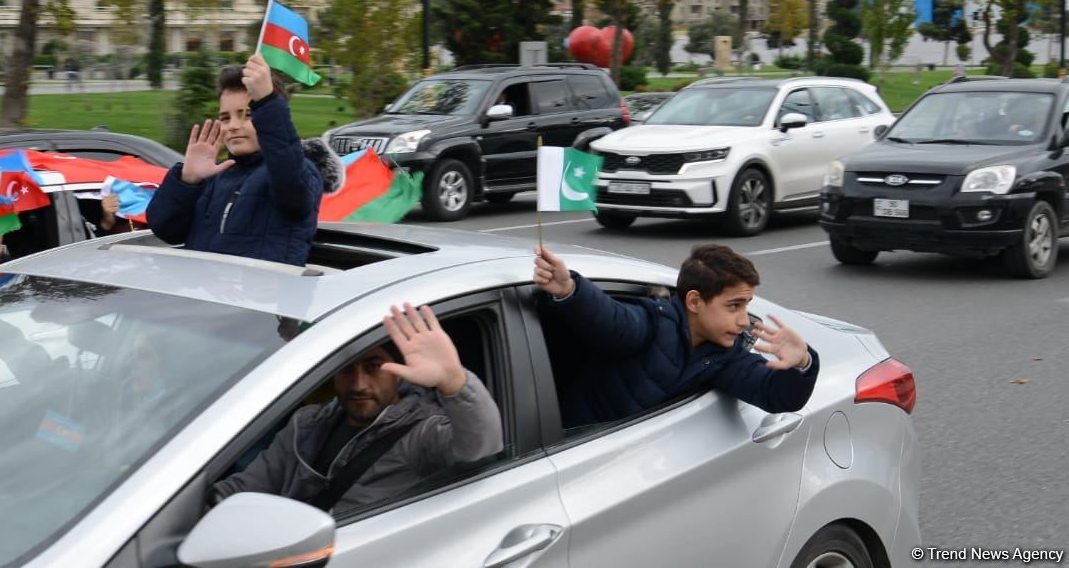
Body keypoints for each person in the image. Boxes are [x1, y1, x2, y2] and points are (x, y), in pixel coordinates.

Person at [208, 303, 503, 515]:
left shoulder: (422, 432)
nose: (359, 384)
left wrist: (454, 381)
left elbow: (481, 446)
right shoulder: (307, 423)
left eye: (374, 368)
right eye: (347, 370)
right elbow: (247, 486)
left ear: (399, 372)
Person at [533, 243, 819, 429]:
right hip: (572, 441)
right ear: (694, 302)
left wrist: (802, 362)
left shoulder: (724, 355)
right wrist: (570, 289)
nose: (744, 320)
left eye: (746, 306)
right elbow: (610, 320)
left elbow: (775, 394)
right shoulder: (652, 322)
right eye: (733, 306)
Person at [147, 53, 331, 267]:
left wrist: (267, 102)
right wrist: (187, 181)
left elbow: (291, 189)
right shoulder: (216, 174)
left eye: (247, 114)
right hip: (201, 296)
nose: (234, 125)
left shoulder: (300, 170)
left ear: (269, 115)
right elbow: (166, 230)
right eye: (225, 118)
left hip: (259, 298)